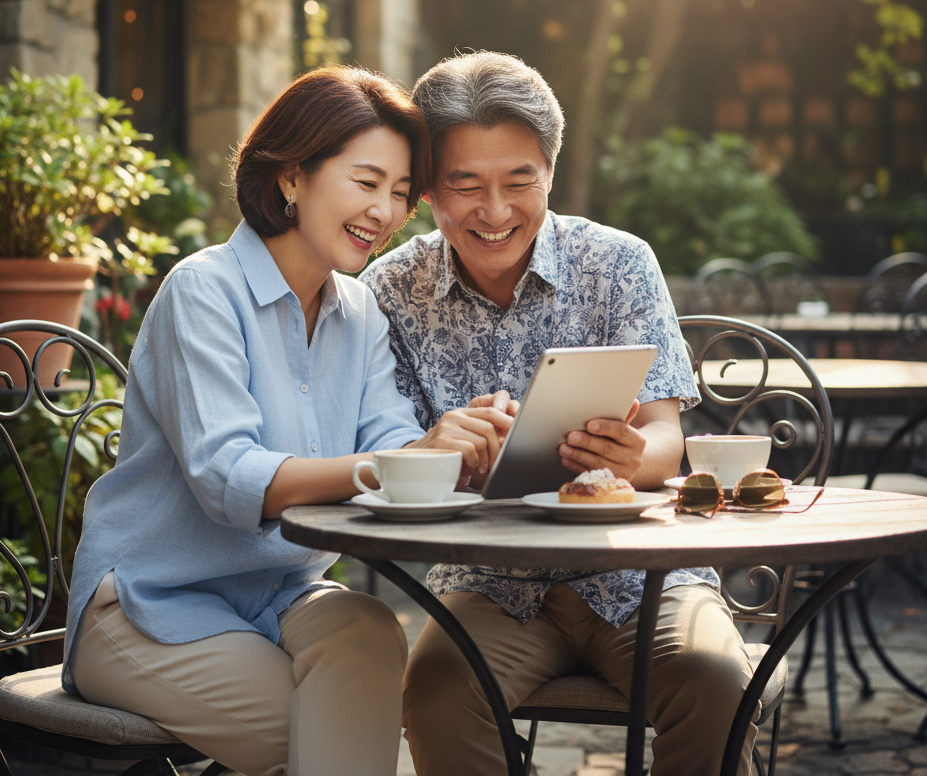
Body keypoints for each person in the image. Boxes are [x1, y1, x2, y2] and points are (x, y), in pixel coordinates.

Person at [62, 65, 512, 776]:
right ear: (292, 176)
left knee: (368, 633)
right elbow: (229, 476)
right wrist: (396, 464)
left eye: (400, 194)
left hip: (282, 594)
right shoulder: (203, 291)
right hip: (149, 606)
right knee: (332, 737)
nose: (386, 214)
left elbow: (388, 442)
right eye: (366, 184)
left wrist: (453, 444)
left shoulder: (359, 311)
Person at [360, 51, 760, 776]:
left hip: (643, 574)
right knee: (437, 692)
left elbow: (669, 435)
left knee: (718, 681)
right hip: (487, 580)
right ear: (423, 191)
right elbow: (384, 456)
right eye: (466, 185)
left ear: (550, 174)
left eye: (521, 182)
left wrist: (636, 458)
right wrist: (435, 446)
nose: (496, 211)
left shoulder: (619, 262)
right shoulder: (388, 289)